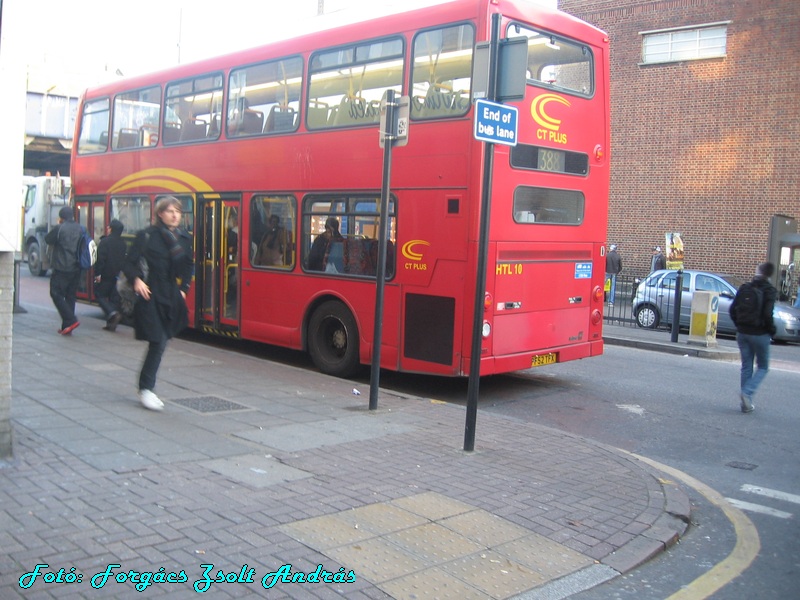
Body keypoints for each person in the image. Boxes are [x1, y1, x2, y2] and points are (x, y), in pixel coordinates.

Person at [122, 196, 194, 411]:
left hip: (170, 294)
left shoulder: (183, 238)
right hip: (150, 293)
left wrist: (184, 289)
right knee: (158, 341)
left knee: (161, 341)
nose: (175, 215)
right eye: (170, 211)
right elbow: (129, 261)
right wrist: (136, 280)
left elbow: (189, 264)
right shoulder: (146, 236)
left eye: (178, 211)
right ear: (160, 213)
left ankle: (146, 388)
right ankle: (146, 388)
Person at [729, 262, 777, 413]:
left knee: (746, 366)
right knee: (763, 366)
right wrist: (771, 330)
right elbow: (768, 314)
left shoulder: (745, 288)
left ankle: (746, 403)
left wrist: (739, 325)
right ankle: (747, 394)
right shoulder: (770, 291)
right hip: (760, 333)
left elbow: (732, 309)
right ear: (770, 275)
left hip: (743, 332)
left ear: (758, 271)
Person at [44, 206, 83, 335]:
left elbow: (48, 239)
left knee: (56, 293)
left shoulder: (59, 228)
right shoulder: (81, 228)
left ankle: (70, 320)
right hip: (77, 268)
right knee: (70, 296)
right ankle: (67, 326)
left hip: (62, 267)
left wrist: (58, 225)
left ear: (61, 218)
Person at [93, 219, 127, 331]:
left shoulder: (105, 242)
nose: (107, 229)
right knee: (113, 299)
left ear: (111, 229)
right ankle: (111, 324)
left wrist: (98, 274)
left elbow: (100, 260)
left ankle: (112, 313)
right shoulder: (123, 243)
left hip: (106, 274)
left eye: (108, 227)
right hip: (118, 275)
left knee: (99, 294)